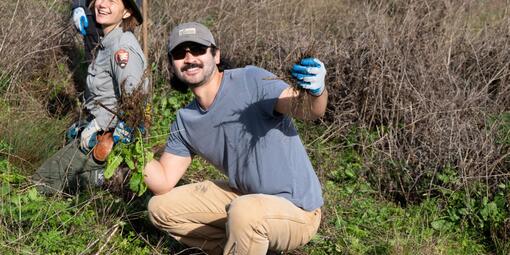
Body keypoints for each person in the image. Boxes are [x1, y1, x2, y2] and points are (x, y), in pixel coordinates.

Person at [144, 22, 327, 255]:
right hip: (246, 197)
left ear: (216, 55)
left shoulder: (251, 81)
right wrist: (130, 149)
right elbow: (163, 181)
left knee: (245, 212)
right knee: (160, 208)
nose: (189, 58)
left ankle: (248, 241)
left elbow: (309, 110)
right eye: (180, 53)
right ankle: (246, 246)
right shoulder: (185, 119)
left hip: (297, 210)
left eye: (198, 50)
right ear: (172, 64)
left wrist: (317, 90)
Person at [33, 0, 147, 195]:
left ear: (127, 12)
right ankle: (102, 179)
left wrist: (99, 127)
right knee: (51, 176)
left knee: (41, 181)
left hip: (109, 136)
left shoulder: (122, 48)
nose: (102, 4)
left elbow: (134, 104)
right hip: (97, 127)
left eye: (112, 1)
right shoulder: (107, 41)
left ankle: (109, 178)